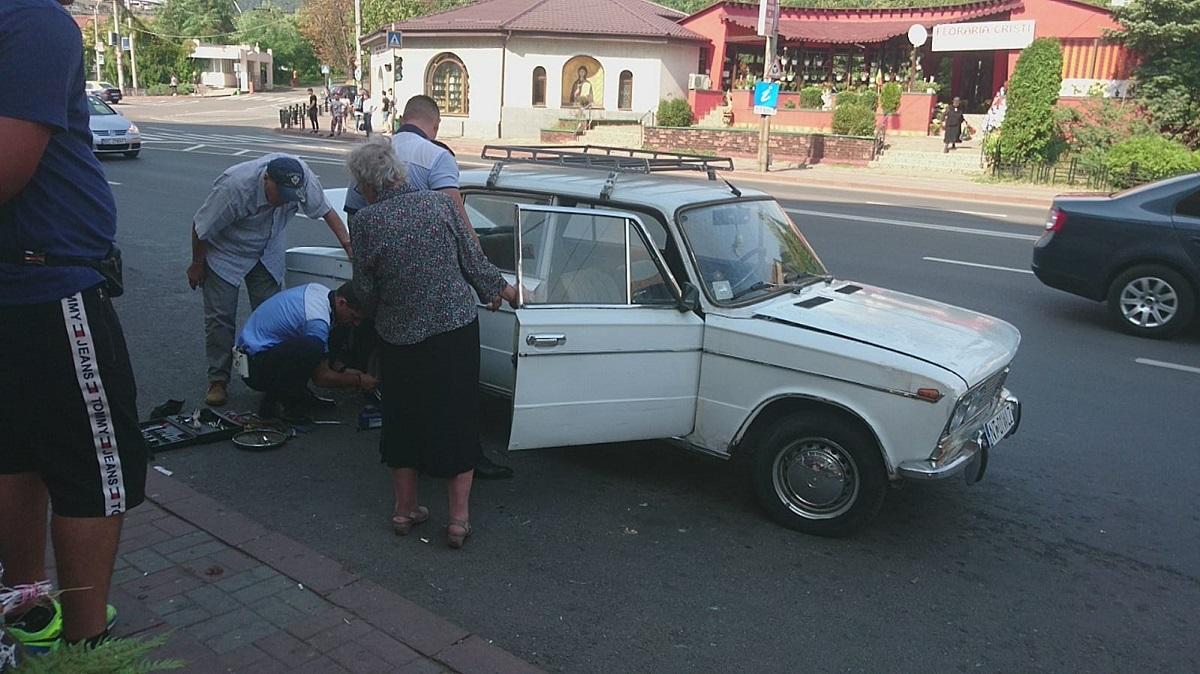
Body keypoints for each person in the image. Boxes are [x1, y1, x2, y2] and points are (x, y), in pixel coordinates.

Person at [1, 0, 147, 650]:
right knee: (94, 470)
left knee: (16, 454)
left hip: (17, 286)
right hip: (50, 281)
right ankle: (87, 647)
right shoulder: (32, 19)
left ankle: (27, 613)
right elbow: (9, 164)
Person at [346, 138, 518, 549]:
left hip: (400, 336)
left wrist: (383, 305)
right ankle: (458, 520)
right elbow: (473, 260)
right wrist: (501, 289)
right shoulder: (439, 206)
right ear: (398, 173)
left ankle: (405, 511)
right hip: (453, 331)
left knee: (403, 418)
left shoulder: (367, 222)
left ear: (368, 186)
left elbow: (365, 292)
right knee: (457, 417)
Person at [186, 154, 351, 408]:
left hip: (267, 248)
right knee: (220, 318)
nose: (285, 200)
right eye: (280, 194)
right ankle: (218, 379)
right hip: (226, 251)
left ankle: (282, 377)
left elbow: (327, 212)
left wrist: (348, 246)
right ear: (266, 180)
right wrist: (197, 265)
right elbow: (201, 227)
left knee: (277, 315)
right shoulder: (235, 187)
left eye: (290, 196)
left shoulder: (303, 179)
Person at [236, 282, 377, 422]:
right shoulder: (317, 320)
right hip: (253, 368)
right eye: (354, 317)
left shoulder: (323, 292)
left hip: (258, 354)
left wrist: (344, 369)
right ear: (341, 302)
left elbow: (327, 354)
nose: (357, 323)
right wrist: (358, 381)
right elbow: (321, 377)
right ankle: (279, 404)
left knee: (332, 333)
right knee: (312, 346)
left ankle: (297, 392)